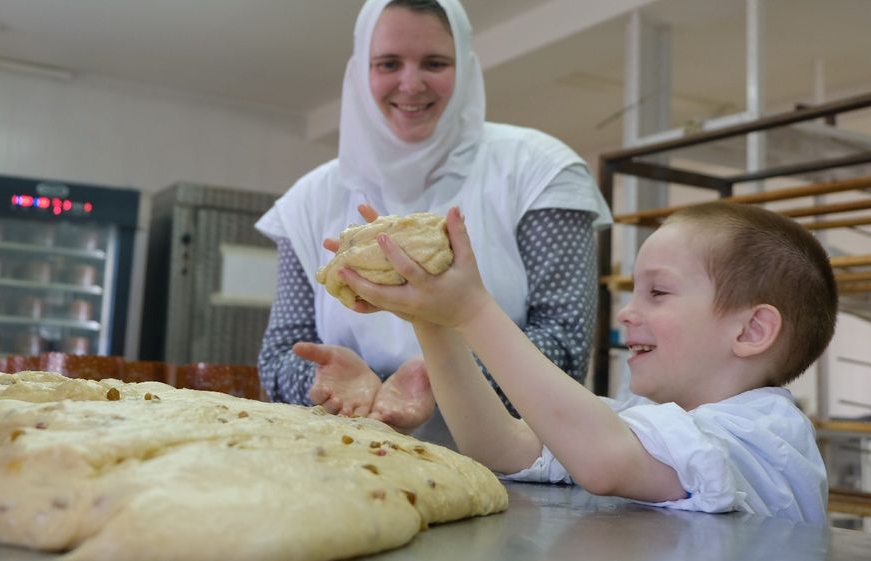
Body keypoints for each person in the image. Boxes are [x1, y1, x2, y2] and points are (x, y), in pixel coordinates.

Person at [255, 0, 611, 437]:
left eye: (435, 63)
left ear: (465, 68)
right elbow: (280, 357)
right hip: (349, 457)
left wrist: (440, 378)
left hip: (519, 465)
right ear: (360, 73)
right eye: (388, 63)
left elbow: (565, 346)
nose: (411, 83)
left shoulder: (539, 172)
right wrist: (327, 380)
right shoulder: (309, 200)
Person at [337, 201, 837, 524]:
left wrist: (472, 311)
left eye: (658, 293)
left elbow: (604, 461)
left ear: (751, 331)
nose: (627, 312)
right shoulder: (644, 422)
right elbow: (502, 447)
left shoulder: (767, 437)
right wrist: (432, 320)